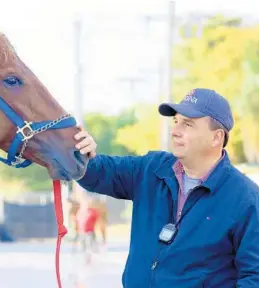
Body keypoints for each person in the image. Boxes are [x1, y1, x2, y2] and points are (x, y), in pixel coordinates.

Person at [73, 88, 259, 287]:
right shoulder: (151, 169)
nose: (175, 131)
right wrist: (77, 151)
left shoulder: (246, 199)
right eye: (176, 121)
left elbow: (254, 276)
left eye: (188, 124)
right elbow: (98, 172)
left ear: (217, 137)